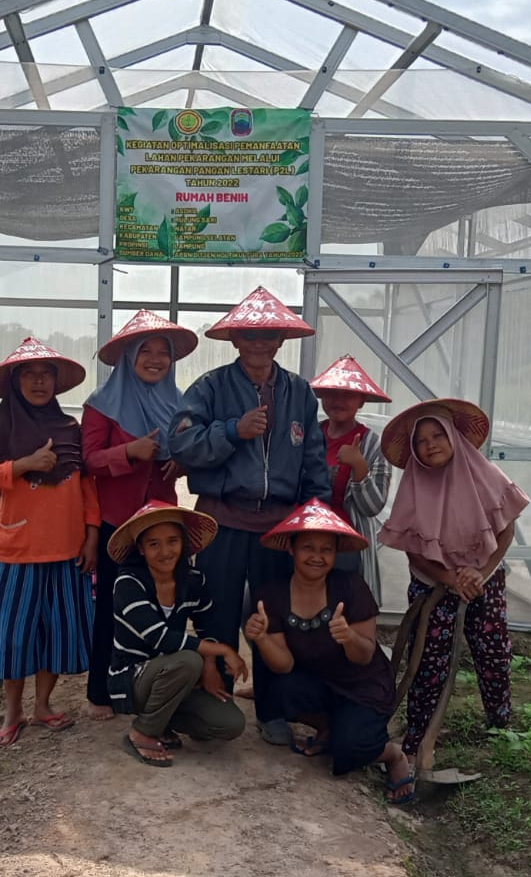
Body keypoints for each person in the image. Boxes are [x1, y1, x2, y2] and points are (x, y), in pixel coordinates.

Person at [169, 286, 332, 747]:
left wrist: (315, 523)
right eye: (250, 335)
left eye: (269, 336)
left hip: (278, 527)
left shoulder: (300, 393)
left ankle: (273, 708)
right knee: (215, 612)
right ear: (235, 341)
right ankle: (214, 704)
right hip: (221, 521)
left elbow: (314, 463)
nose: (260, 344)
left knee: (272, 616)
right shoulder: (210, 387)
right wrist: (232, 431)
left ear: (282, 340)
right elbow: (179, 443)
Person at [377, 399, 530, 768]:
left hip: (484, 580)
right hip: (433, 585)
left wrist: (480, 573)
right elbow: (414, 551)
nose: (430, 445)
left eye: (437, 435)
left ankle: (499, 722)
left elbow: (506, 530)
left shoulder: (485, 475)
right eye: (421, 441)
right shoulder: (413, 487)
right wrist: (448, 578)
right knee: (428, 662)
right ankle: (416, 739)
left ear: (454, 437)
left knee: (492, 651)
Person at [0, 338, 101, 748]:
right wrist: (24, 464)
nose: (40, 382)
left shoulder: (69, 429)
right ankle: (13, 712)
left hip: (67, 550)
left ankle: (43, 705)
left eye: (47, 375)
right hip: (19, 551)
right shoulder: (2, 426)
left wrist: (92, 535)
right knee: (17, 635)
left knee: (57, 634)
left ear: (58, 384)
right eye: (30, 374)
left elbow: (87, 486)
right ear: (15, 381)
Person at [246, 499, 415, 804]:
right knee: (277, 690)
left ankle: (392, 754)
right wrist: (261, 639)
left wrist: (348, 636)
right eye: (308, 548)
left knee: (350, 748)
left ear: (336, 555)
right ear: (292, 549)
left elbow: (364, 656)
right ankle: (329, 727)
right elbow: (283, 666)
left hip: (362, 687)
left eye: (326, 550)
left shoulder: (350, 586)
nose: (317, 556)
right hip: (318, 682)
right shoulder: (271, 594)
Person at [82, 311, 198, 721]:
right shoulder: (101, 405)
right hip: (120, 521)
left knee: (163, 602)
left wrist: (182, 465)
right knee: (112, 606)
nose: (154, 359)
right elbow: (88, 460)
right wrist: (128, 452)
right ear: (128, 358)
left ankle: (154, 686)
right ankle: (102, 691)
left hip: (163, 524)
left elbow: (191, 450)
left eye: (162, 353)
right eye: (144, 351)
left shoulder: (181, 405)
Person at [105, 501, 248, 766]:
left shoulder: (193, 579)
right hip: (131, 678)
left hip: (176, 675)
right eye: (153, 544)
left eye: (172, 541)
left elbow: (208, 625)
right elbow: (160, 638)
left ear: (183, 543)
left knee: (231, 724)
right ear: (141, 549)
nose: (165, 551)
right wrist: (221, 651)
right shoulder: (128, 583)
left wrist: (209, 666)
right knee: (188, 660)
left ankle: (163, 720)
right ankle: (142, 731)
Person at [309, 355, 392, 602]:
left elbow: (372, 506)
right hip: (307, 539)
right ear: (321, 397)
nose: (338, 401)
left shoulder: (372, 443)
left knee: (345, 607)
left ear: (362, 401)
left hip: (347, 544)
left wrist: (358, 466)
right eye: (332, 393)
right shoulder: (310, 435)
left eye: (348, 395)